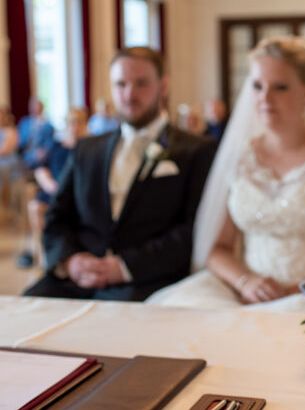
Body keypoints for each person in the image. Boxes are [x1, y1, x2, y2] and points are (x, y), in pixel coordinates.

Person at [147, 37, 305, 308]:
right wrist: (246, 282)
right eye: (257, 86)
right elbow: (217, 249)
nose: (264, 98)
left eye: (280, 87)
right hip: (244, 295)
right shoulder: (239, 158)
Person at [23, 47, 216, 301]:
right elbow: (58, 217)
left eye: (141, 84)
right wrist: (71, 262)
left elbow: (195, 230)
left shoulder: (197, 150)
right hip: (75, 280)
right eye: (120, 84)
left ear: (163, 86)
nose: (129, 94)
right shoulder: (86, 149)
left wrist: (124, 268)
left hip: (146, 281)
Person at [18, 108, 88, 268]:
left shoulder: (89, 147)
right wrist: (50, 184)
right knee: (35, 206)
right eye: (71, 122)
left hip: (79, 193)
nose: (74, 126)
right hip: (55, 191)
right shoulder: (56, 146)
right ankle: (44, 254)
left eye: (78, 122)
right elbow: (41, 169)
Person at [18, 97, 55, 169]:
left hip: (39, 152)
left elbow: (49, 143)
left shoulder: (48, 126)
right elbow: (20, 140)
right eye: (33, 106)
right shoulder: (24, 123)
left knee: (39, 158)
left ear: (42, 107)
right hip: (24, 152)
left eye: (37, 106)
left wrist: (44, 151)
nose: (35, 108)